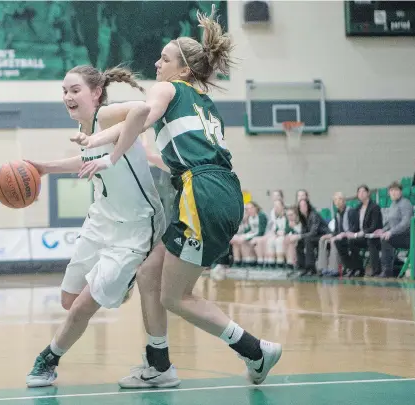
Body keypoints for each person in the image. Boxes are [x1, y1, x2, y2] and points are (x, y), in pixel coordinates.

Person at [72, 5, 282, 388]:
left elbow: (138, 118)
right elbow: (159, 142)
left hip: (201, 192)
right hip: (219, 189)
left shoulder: (167, 89)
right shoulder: (203, 102)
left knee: (175, 296)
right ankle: (159, 364)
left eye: (164, 58)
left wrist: (102, 149)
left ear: (183, 69)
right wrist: (99, 143)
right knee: (149, 273)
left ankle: (255, 349)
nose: (156, 62)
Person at [24, 65, 167, 388]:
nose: (67, 97)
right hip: (100, 219)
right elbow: (86, 159)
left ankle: (48, 359)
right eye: (64, 91)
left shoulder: (107, 116)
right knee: (68, 300)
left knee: (82, 307)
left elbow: (142, 109)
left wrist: (111, 157)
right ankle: (124, 282)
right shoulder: (87, 128)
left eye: (74, 90)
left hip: (134, 226)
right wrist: (45, 168)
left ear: (96, 93)